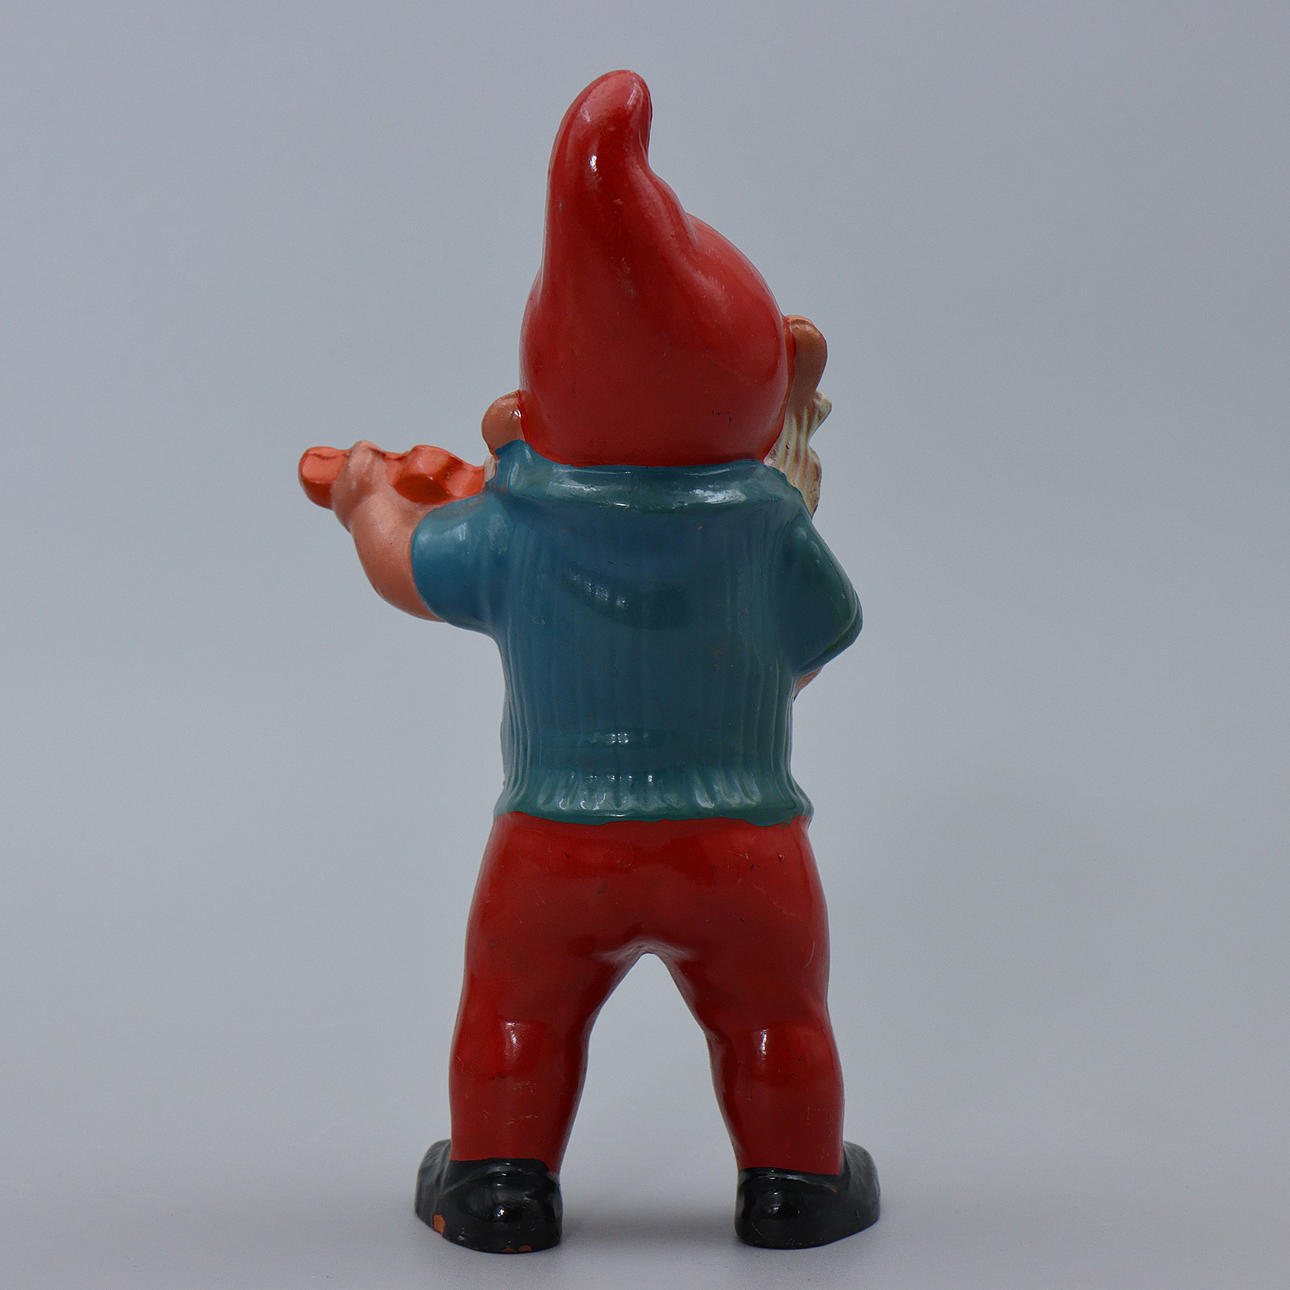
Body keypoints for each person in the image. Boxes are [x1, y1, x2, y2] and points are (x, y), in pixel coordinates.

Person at [306, 70, 879, 1253]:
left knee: (517, 1012)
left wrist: (367, 498)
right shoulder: (770, 525)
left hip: (555, 846)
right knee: (776, 1017)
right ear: (763, 388)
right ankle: (795, 1186)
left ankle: (498, 1185)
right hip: (743, 848)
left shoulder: (516, 523)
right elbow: (824, 638)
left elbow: (403, 566)